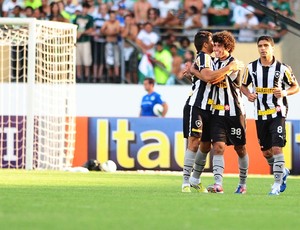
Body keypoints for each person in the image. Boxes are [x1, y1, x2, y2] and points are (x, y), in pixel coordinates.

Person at [181, 31, 243, 193]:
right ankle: (185, 183)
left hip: (211, 109)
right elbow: (209, 78)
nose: (214, 44)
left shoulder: (211, 60)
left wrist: (193, 73)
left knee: (206, 145)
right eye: (212, 42)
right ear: (205, 44)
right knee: (194, 142)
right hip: (197, 106)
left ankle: (194, 179)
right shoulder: (204, 57)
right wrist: (229, 68)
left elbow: (205, 80)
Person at [241, 35, 299, 195]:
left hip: (277, 112)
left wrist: (285, 92)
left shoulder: (283, 68)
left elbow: (296, 86)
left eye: (266, 45)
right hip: (260, 114)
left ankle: (276, 185)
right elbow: (243, 85)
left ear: (272, 48)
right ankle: (283, 171)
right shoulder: (251, 67)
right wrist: (248, 95)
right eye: (260, 45)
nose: (262, 48)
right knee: (267, 152)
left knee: (276, 147)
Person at [201, 31, 249, 194]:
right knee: (218, 147)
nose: (216, 48)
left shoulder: (234, 63)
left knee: (240, 148)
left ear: (227, 47)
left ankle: (242, 184)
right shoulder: (212, 61)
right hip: (217, 113)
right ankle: (218, 184)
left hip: (235, 113)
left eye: (219, 46)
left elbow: (214, 79)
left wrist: (209, 75)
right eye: (214, 45)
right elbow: (208, 78)